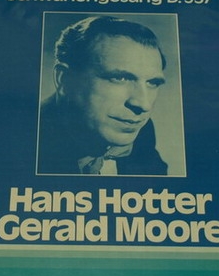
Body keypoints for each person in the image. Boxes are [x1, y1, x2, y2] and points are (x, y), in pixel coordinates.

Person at [38, 15, 168, 175]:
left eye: (152, 82)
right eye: (120, 78)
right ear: (65, 80)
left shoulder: (140, 130)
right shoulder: (27, 140)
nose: (143, 105)